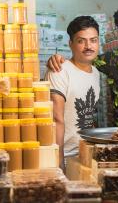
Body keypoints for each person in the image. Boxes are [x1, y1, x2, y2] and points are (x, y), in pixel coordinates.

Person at [45, 16, 100, 168]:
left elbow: (88, 116)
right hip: (67, 157)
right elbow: (56, 120)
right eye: (81, 41)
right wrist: (58, 162)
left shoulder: (96, 73)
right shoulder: (59, 71)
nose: (88, 46)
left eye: (93, 40)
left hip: (86, 154)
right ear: (71, 44)